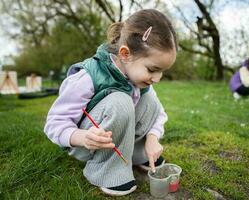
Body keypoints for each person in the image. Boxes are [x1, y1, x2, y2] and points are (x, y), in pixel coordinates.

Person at [44, 9, 177, 196]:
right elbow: (54, 123)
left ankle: (138, 154)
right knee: (120, 101)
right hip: (89, 144)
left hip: (116, 138)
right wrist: (82, 137)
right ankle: (106, 170)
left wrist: (153, 139)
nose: (157, 78)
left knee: (151, 101)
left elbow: (158, 113)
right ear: (125, 54)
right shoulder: (89, 76)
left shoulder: (139, 79)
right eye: (152, 69)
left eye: (162, 71)